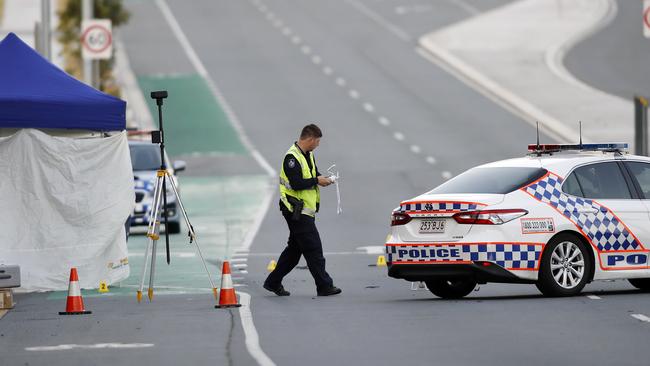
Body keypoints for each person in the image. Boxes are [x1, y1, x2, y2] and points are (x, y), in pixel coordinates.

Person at [263, 124, 342, 296]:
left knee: (294, 251)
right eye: (318, 141)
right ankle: (324, 285)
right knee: (313, 248)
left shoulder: (308, 154)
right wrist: (316, 180)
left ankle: (272, 282)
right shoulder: (291, 158)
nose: (318, 145)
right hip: (295, 210)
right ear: (310, 139)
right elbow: (298, 183)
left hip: (304, 210)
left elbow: (312, 174)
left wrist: (324, 179)